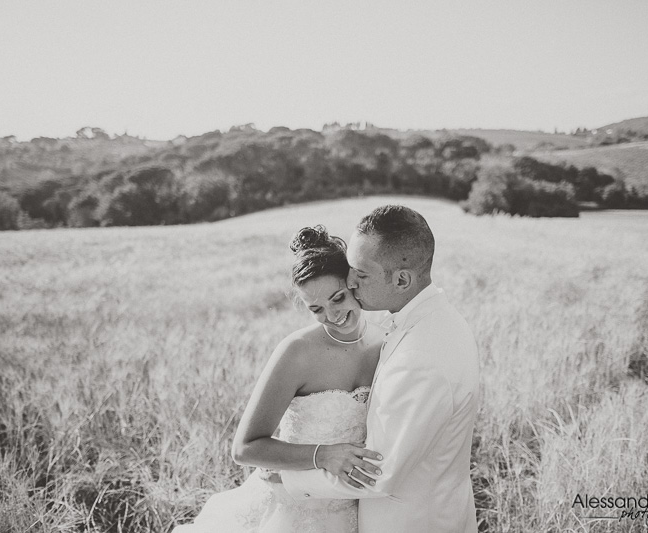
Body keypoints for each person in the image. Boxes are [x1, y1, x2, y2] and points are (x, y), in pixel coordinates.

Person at [280, 205, 481, 533]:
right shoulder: (443, 320)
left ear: (402, 279)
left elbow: (379, 475)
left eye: (361, 274)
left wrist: (291, 479)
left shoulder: (419, 360)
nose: (350, 281)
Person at [173, 225, 384, 533]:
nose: (332, 314)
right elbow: (244, 448)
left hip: (353, 510)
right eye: (317, 309)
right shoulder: (297, 352)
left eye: (337, 298)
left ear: (354, 282)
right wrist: (322, 455)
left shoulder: (384, 344)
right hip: (289, 510)